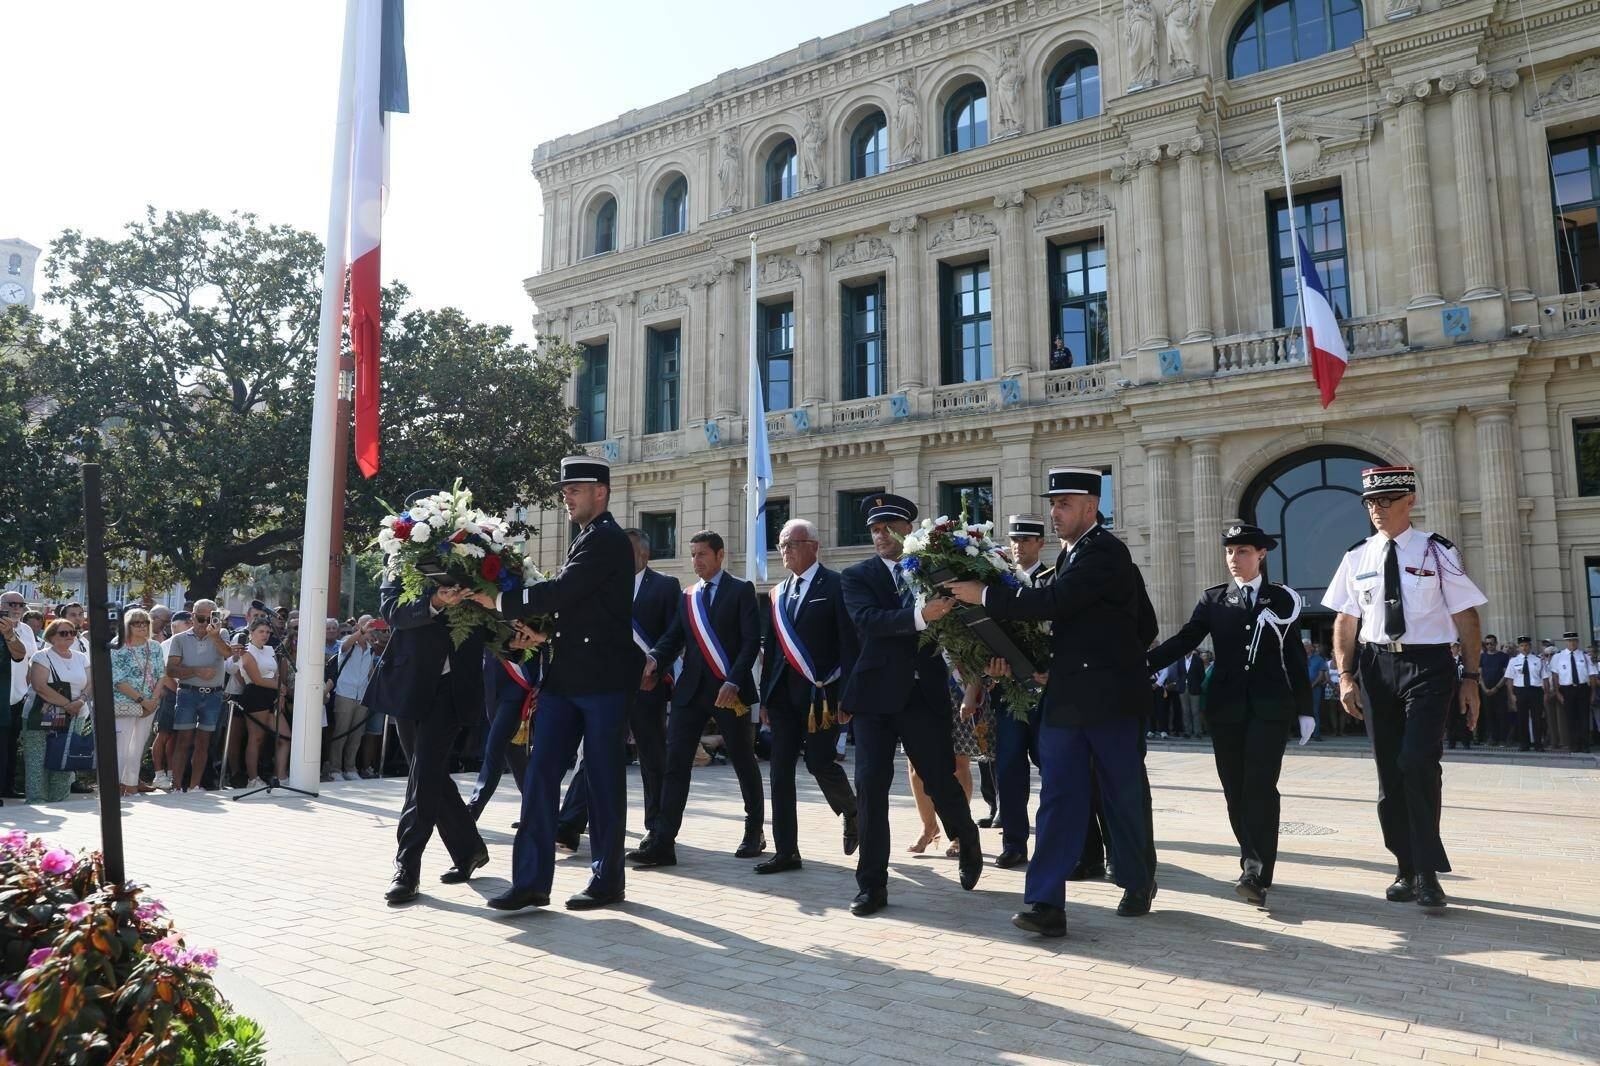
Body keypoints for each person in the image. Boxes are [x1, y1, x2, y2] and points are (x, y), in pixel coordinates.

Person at [946, 469, 1157, 937]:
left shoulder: (1106, 551)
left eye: (1064, 504)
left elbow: (1061, 604)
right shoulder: (1069, 555)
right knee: (1058, 798)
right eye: (1053, 503)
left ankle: (1137, 881)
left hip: (1110, 701)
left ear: (1090, 506)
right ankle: (1045, 903)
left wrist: (984, 595)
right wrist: (1044, 664)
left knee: (1121, 795)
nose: (1055, 512)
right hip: (1066, 698)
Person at [471, 455, 643, 912]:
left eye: (575, 489)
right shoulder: (587, 538)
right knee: (541, 776)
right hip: (566, 677)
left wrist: (500, 600)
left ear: (601, 493)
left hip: (602, 682)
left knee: (603, 783)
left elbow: (565, 592)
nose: (566, 496)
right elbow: (587, 610)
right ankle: (530, 881)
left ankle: (608, 880)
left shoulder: (606, 539)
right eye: (565, 490)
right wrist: (546, 634)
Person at [1323, 465, 1486, 912]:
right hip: (1376, 666)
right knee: (1389, 774)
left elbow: (1467, 617)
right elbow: (1345, 620)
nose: (1377, 510)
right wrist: (1346, 674)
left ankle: (1428, 872)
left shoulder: (1437, 552)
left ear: (1409, 501)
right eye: (1371, 502)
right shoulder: (1357, 556)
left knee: (1418, 762)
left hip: (1429, 664)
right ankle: (1405, 867)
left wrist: (1470, 678)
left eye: (1387, 501)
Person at [1147, 523, 1310, 908]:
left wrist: (1306, 708)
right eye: (1230, 552)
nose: (1234, 560)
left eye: (1242, 552)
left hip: (1270, 708)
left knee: (1260, 785)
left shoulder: (1282, 599)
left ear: (1261, 554)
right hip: (1226, 709)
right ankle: (1252, 861)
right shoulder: (1214, 600)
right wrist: (1141, 663)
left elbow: (1294, 657)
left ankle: (1255, 869)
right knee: (1234, 789)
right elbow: (1185, 639)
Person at [841, 493, 983, 917]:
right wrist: (924, 615)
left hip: (922, 698)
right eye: (874, 529)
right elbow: (868, 621)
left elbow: (964, 623)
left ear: (908, 530)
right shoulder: (857, 575)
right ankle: (871, 885)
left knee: (940, 780)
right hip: (874, 700)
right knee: (870, 788)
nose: (881, 535)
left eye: (889, 527)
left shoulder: (935, 571)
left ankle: (967, 838)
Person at [365, 491, 492, 906]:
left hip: (453, 687)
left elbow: (492, 614)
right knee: (430, 775)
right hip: (409, 685)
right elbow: (394, 613)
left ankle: (407, 867)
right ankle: (470, 848)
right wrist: (435, 600)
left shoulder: (475, 558)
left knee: (423, 773)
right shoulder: (399, 564)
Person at [633, 529, 765, 867]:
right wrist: (654, 659)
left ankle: (755, 830)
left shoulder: (741, 591)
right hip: (690, 693)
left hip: (727, 694)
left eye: (702, 554)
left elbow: (751, 642)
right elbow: (673, 637)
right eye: (692, 555)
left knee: (742, 760)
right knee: (676, 764)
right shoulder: (688, 595)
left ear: (720, 555)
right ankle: (664, 841)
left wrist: (734, 680)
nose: (696, 561)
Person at [551, 527, 682, 853]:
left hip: (647, 684)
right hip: (607, 685)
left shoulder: (665, 587)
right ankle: (569, 825)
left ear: (644, 554)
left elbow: (675, 633)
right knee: (594, 754)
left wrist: (656, 662)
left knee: (652, 758)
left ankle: (656, 830)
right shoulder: (603, 586)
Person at [754, 517, 858, 874]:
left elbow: (849, 644)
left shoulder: (837, 585)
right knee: (779, 771)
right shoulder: (778, 591)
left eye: (792, 544)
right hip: (783, 696)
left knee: (819, 762)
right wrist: (765, 699)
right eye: (781, 545)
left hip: (821, 696)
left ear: (814, 546)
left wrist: (848, 696)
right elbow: (773, 652)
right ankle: (787, 851)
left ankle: (852, 809)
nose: (785, 551)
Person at [986, 513, 1052, 869]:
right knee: (1009, 769)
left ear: (1041, 543)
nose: (1018, 546)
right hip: (1008, 692)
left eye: (1026, 540)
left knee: (1054, 768)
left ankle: (1058, 839)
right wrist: (987, 666)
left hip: (1046, 693)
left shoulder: (1052, 580)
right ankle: (1013, 842)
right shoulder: (999, 584)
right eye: (1014, 539)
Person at [164, 599, 232, 793]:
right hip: (188, 693)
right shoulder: (179, 639)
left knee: (204, 742)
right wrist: (196, 671)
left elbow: (228, 655)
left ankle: (195, 785)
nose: (205, 622)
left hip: (213, 695)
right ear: (193, 616)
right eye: (201, 618)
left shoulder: (221, 633)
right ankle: (176, 786)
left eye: (210, 618)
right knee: (183, 740)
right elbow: (171, 670)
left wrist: (215, 636)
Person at [24, 619, 92, 803]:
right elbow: (39, 686)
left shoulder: (81, 657)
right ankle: (37, 799)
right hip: (42, 714)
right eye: (64, 633)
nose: (70, 636)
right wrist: (69, 705)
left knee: (65, 754)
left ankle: (60, 799)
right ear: (51, 636)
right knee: (37, 759)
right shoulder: (41, 656)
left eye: (73, 632)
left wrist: (81, 701)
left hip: (76, 714)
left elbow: (90, 683)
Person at [468, 641, 537, 818]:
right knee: (513, 753)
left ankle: (472, 810)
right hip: (492, 686)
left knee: (495, 747)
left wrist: (540, 682)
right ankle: (535, 809)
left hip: (518, 686)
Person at [110, 608, 164, 796]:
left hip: (150, 703)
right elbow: (117, 680)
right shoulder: (118, 646)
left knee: (138, 747)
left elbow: (161, 675)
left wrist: (153, 700)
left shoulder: (155, 646)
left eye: (145, 622)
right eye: (136, 623)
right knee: (121, 747)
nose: (142, 626)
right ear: (127, 625)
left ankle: (131, 785)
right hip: (125, 702)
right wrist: (143, 701)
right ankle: (114, 786)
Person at [237, 620, 290, 788]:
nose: (265, 635)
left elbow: (275, 674)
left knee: (286, 737)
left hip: (272, 695)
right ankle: (253, 779)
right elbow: (256, 679)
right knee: (256, 738)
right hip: (255, 695)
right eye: (261, 631)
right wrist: (280, 687)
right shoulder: (246, 651)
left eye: (268, 632)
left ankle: (280, 776)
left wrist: (280, 693)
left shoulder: (269, 649)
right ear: (251, 633)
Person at [326, 619, 379, 780]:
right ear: (358, 627)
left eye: (371, 628)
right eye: (366, 627)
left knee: (356, 734)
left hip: (362, 696)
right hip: (345, 694)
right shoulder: (347, 643)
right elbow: (344, 646)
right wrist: (362, 632)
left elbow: (369, 674)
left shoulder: (370, 650)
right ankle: (335, 769)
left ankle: (350, 768)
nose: (370, 630)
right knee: (341, 732)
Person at [3, 590, 39, 801]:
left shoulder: (25, 629)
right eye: (11, 603)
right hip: (1, 694)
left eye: (20, 604)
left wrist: (28, 691)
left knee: (11, 743)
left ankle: (8, 786)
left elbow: (31, 661)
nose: (16, 608)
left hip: (19, 695)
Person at [1552, 632, 1593, 754]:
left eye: (1574, 640)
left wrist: (1593, 692)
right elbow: (1555, 676)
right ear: (1566, 642)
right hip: (1567, 689)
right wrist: (1558, 693)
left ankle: (1585, 744)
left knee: (1584, 718)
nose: (1572, 643)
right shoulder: (1558, 657)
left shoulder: (1585, 656)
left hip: (1583, 689)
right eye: (1569, 641)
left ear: (1578, 641)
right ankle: (1574, 744)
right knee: (1571, 718)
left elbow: (1592, 675)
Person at [1506, 636, 1546, 752]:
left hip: (1535, 691)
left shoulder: (1538, 660)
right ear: (1518, 647)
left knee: (1537, 718)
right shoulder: (1513, 661)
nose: (1524, 648)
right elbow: (1509, 679)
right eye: (1522, 645)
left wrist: (1546, 692)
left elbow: (1544, 677)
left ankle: (1538, 743)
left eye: (1526, 645)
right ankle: (1524, 744)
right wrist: (1511, 695)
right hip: (1520, 691)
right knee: (1522, 718)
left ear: (1530, 646)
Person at [1478, 635, 1511, 746]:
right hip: (1485, 690)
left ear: (1496, 643)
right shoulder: (1482, 657)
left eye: (1492, 643)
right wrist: (1484, 688)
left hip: (1499, 690)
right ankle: (1492, 738)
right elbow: (1480, 674)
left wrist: (1496, 688)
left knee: (1501, 714)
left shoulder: (1503, 656)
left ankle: (1503, 739)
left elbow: (1505, 674)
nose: (1489, 646)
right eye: (1487, 644)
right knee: (1489, 714)